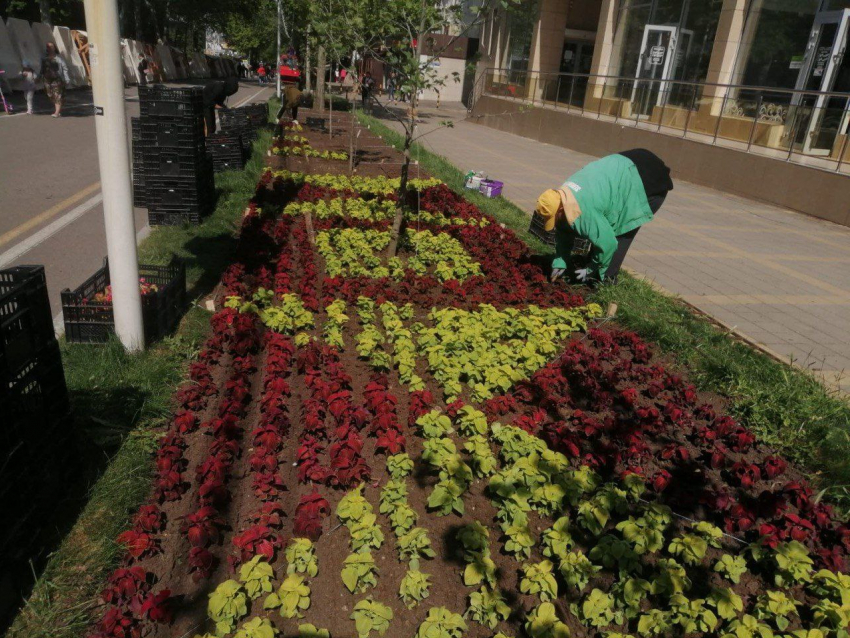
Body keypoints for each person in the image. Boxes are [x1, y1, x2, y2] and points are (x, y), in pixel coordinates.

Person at [535, 149, 673, 286]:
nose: (555, 222)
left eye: (554, 217)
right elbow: (564, 230)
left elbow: (609, 243)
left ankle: (606, 280)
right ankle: (596, 267)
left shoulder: (584, 209)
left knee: (620, 232)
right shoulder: (563, 194)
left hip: (649, 179)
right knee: (600, 233)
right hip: (624, 164)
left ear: (560, 208)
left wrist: (590, 270)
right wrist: (561, 260)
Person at [40, 42, 69, 118]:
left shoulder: (59, 59)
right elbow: (42, 69)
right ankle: (58, 107)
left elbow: (65, 68)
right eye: (48, 47)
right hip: (47, 79)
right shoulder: (44, 59)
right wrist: (38, 77)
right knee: (50, 95)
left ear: (54, 48)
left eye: (51, 46)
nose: (49, 48)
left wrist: (66, 79)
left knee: (57, 95)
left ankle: (57, 112)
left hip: (57, 79)